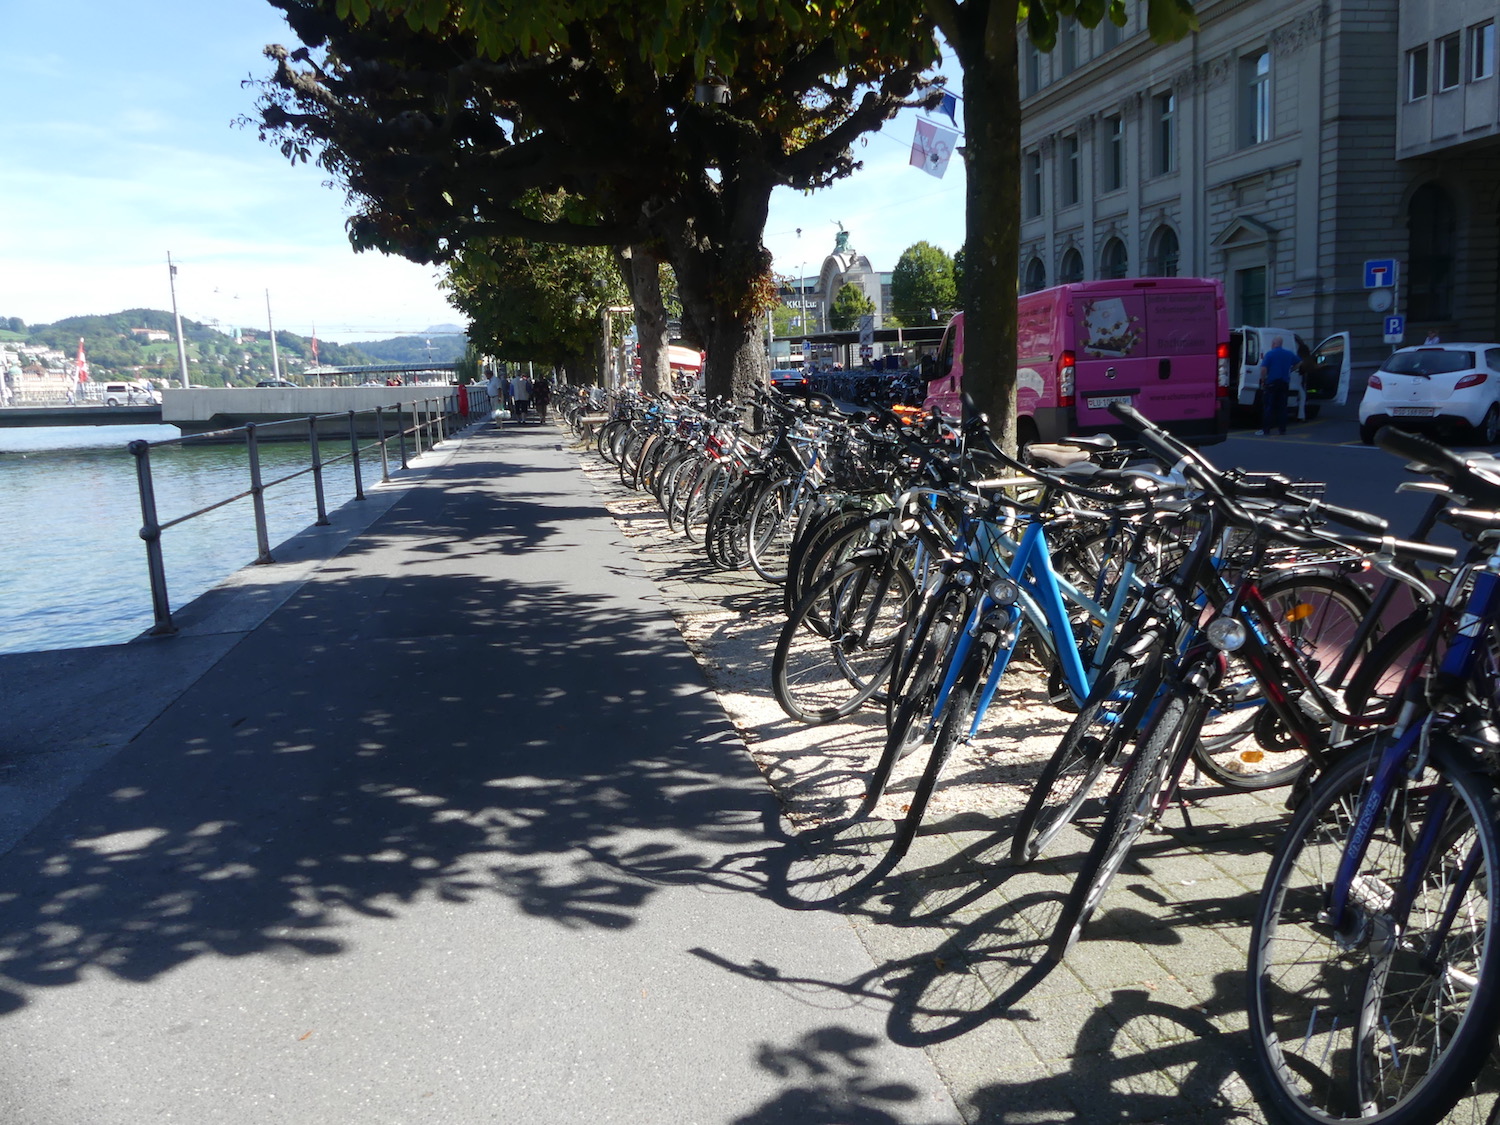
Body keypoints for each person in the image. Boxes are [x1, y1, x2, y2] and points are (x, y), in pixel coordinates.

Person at [1256, 335, 1299, 436]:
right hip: (1284, 383)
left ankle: (1266, 430)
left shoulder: (1270, 354)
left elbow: (1263, 369)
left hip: (1272, 383)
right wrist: (1291, 370)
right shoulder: (1288, 354)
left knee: (1268, 407)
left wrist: (1263, 380)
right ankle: (1282, 430)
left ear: (1274, 344)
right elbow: (1299, 362)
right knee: (1282, 407)